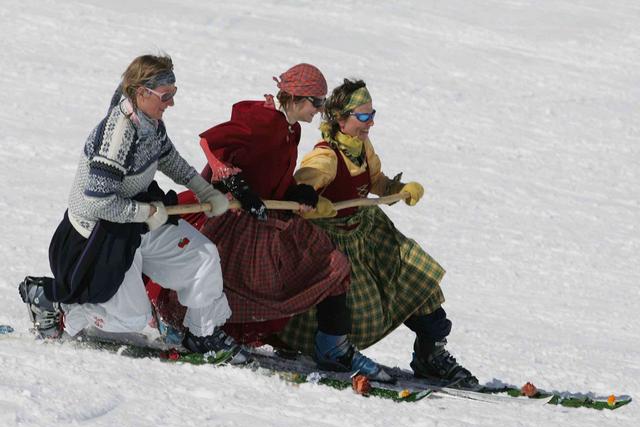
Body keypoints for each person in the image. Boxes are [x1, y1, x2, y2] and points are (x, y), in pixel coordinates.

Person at [151, 64, 391, 381]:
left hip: (265, 218)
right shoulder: (263, 119)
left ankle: (332, 346)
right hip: (233, 218)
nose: (320, 111)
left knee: (330, 263)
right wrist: (235, 184)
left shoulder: (293, 128)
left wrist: (297, 191)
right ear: (294, 97)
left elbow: (271, 172)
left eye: (321, 103)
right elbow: (211, 144)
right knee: (219, 275)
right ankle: (185, 327)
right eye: (315, 103)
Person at [18, 54, 247, 364]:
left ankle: (203, 334)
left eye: (174, 93)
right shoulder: (117, 134)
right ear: (142, 93)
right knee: (132, 319)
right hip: (100, 233)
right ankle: (54, 302)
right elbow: (98, 202)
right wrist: (146, 214)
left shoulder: (150, 122)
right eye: (166, 96)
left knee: (203, 257)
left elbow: (166, 156)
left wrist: (202, 188)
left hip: (137, 219)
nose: (171, 103)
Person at [276, 78, 478, 386]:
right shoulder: (325, 157)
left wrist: (397, 189)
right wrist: (316, 203)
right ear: (340, 119)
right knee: (354, 304)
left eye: (372, 114)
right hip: (334, 240)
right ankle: (325, 346)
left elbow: (374, 181)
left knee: (415, 275)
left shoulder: (361, 146)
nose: (370, 122)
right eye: (363, 116)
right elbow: (299, 192)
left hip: (367, 230)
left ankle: (431, 352)